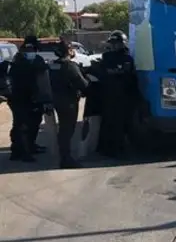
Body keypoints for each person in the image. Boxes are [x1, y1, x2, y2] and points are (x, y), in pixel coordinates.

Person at [8, 36, 52, 162]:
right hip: (24, 97)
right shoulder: (28, 60)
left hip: (23, 97)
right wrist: (46, 98)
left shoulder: (18, 59)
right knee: (24, 125)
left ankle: (23, 148)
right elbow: (42, 80)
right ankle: (23, 151)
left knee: (25, 124)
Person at [48, 39, 90, 169]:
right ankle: (66, 159)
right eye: (72, 49)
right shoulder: (70, 66)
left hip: (57, 100)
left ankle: (64, 156)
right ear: (69, 50)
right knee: (67, 130)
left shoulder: (52, 65)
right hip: (69, 102)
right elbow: (83, 84)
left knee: (63, 130)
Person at [98, 31, 138, 158]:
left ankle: (120, 148)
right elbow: (105, 72)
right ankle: (111, 149)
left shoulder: (128, 58)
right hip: (111, 95)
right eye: (113, 43)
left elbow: (128, 75)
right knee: (111, 123)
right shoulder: (107, 57)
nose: (115, 46)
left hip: (124, 95)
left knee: (124, 123)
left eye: (117, 43)